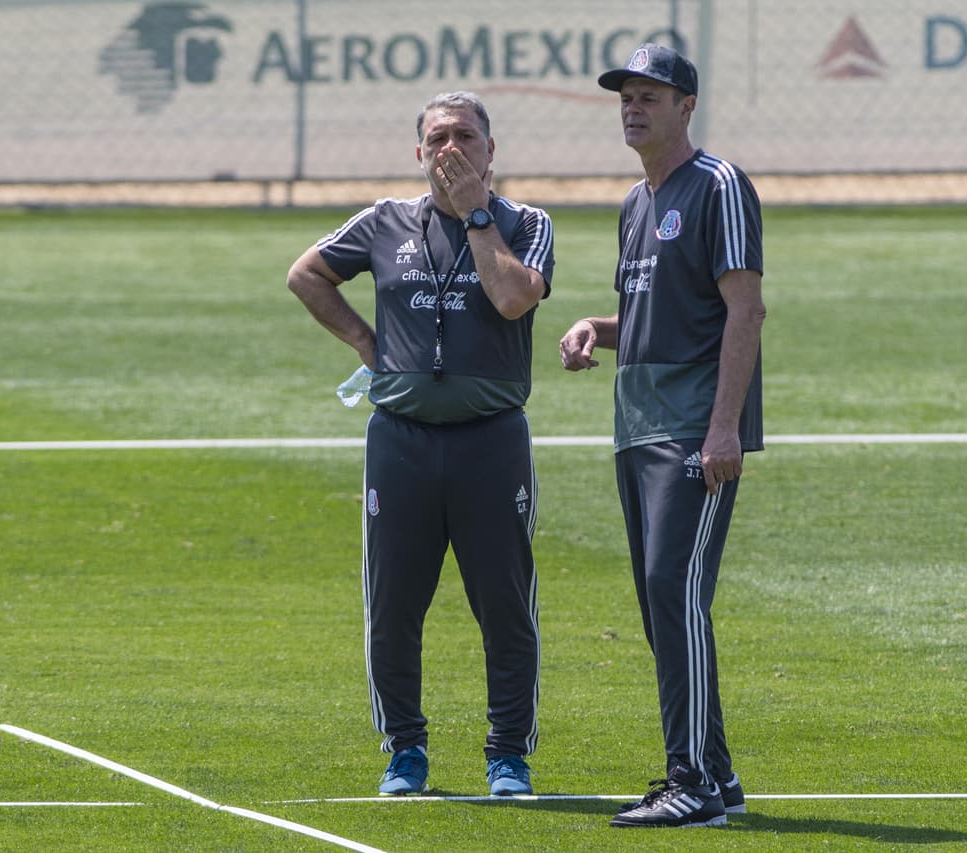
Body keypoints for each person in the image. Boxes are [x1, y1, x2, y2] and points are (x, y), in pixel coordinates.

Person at [288, 91, 554, 797]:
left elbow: (513, 299)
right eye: (437, 138)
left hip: (491, 440)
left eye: (465, 135)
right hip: (400, 440)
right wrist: (366, 343)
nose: (451, 149)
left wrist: (475, 216)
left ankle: (508, 754)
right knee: (394, 601)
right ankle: (404, 748)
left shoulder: (526, 224)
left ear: (491, 150)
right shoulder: (385, 221)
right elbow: (305, 273)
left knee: (504, 603)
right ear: (418, 153)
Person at [559, 43, 766, 828]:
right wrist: (592, 327)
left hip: (692, 429)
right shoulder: (634, 202)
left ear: (687, 105)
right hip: (636, 427)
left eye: (652, 94)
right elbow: (657, 317)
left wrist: (724, 430)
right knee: (661, 604)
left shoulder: (718, 185)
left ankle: (691, 782)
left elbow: (743, 310)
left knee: (674, 592)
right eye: (626, 96)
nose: (634, 106)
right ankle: (716, 773)